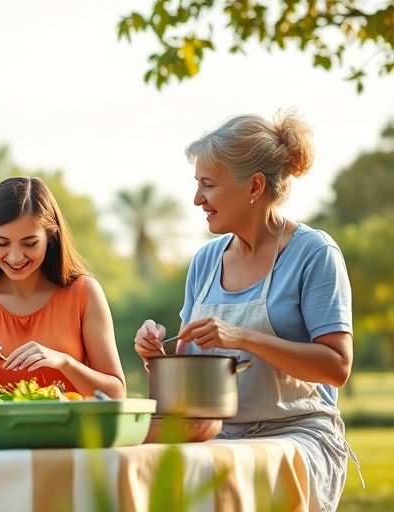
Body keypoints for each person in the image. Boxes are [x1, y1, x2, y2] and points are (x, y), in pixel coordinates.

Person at [133, 110, 357, 512]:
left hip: (296, 434)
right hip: (216, 434)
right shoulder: (205, 261)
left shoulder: (314, 254)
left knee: (239, 476)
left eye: (208, 185)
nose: (197, 199)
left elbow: (336, 366)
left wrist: (243, 337)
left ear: (254, 185)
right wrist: (156, 357)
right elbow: (191, 387)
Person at [0, 176, 126, 416]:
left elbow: (116, 394)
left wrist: (64, 362)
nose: (14, 257)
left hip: (69, 440)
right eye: (2, 243)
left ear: (50, 237)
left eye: (30, 243)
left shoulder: (84, 293)